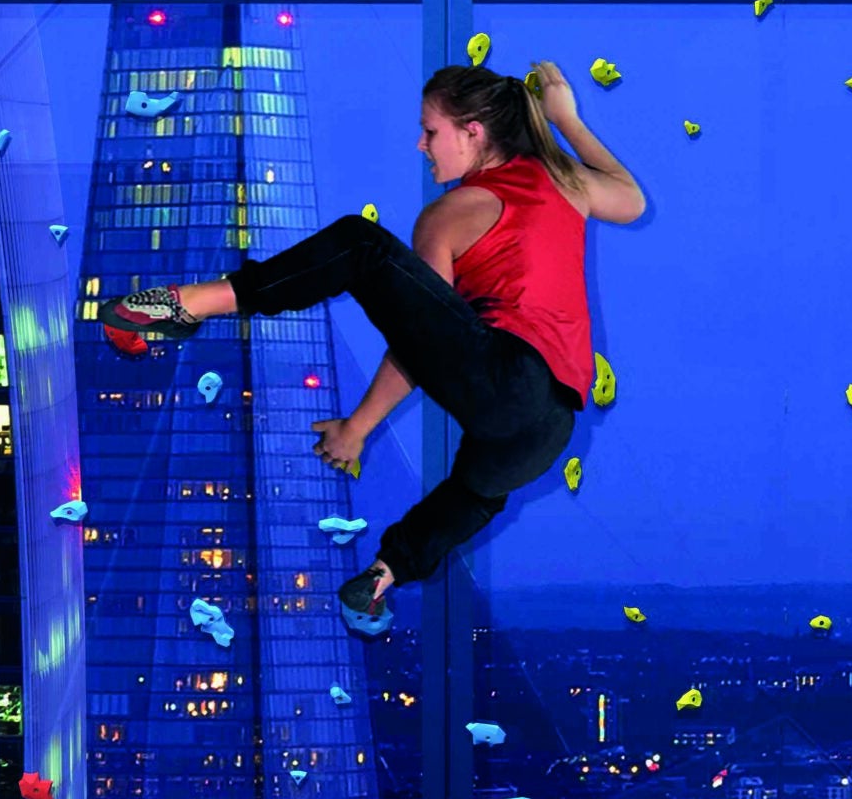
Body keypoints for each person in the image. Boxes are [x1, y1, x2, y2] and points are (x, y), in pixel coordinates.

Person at [103, 58, 645, 628]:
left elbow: (416, 343)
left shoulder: (451, 213)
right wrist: (567, 120)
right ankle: (382, 577)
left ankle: (186, 304)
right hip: (554, 424)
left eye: (431, 131)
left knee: (360, 244)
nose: (421, 145)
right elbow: (630, 199)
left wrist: (359, 426)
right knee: (478, 492)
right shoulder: (564, 182)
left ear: (473, 133)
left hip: (507, 376)